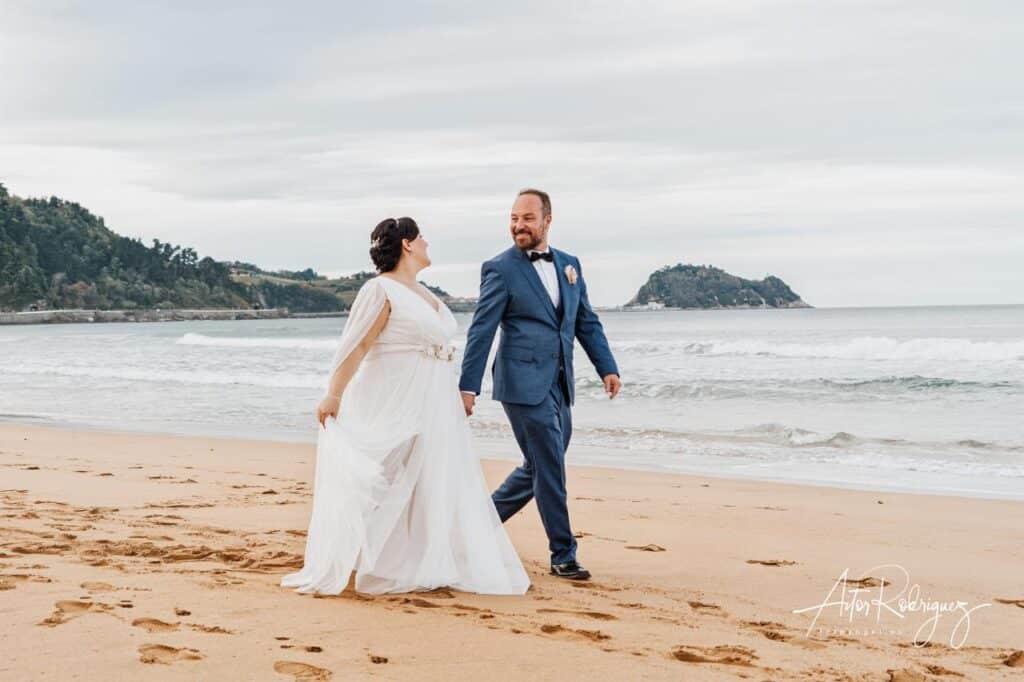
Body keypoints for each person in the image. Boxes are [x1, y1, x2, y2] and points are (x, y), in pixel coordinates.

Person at [280, 217, 530, 595]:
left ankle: (424, 557)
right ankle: (375, 558)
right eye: (422, 237)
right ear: (407, 245)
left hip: (434, 398)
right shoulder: (380, 289)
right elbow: (358, 344)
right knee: (389, 471)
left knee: (432, 475)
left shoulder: (424, 291)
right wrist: (334, 394)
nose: (428, 242)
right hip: (395, 395)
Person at [460, 188, 621, 581]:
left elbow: (585, 321)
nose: (519, 225)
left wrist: (607, 367)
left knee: (539, 465)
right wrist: (467, 386)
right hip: (520, 383)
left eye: (527, 218)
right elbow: (482, 328)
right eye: (514, 218)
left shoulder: (570, 265)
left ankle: (473, 528)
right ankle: (563, 554)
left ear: (547, 220)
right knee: (549, 466)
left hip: (559, 381)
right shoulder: (499, 268)